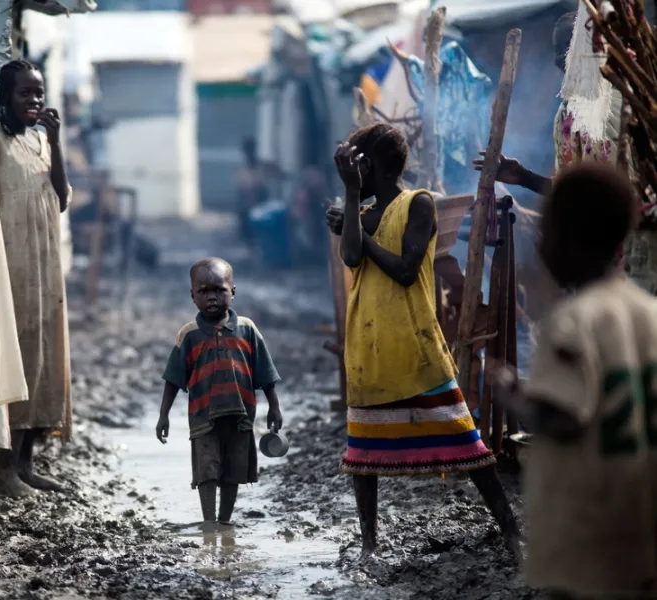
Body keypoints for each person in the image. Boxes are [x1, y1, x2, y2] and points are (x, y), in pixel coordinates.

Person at [325, 123, 520, 557]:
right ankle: (370, 547)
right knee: (364, 459)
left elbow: (406, 269)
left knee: (467, 442)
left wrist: (358, 221)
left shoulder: (419, 204)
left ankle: (511, 530)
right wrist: (354, 206)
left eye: (355, 165)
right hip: (371, 348)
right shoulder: (364, 211)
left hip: (415, 346)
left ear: (368, 165)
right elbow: (352, 256)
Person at [495, 163, 657, 600]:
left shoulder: (570, 323)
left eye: (545, 231)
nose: (541, 245)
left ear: (568, 239)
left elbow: (562, 419)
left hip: (586, 537)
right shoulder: (649, 314)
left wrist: (513, 395)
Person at [0, 60, 73, 497]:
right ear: (6, 97)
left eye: (39, 93)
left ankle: (27, 464)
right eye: (25, 93)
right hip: (11, 267)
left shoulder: (41, 141)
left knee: (44, 359)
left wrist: (56, 143)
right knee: (15, 360)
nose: (35, 101)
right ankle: (3, 468)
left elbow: (61, 200)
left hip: (45, 266)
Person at [155, 258, 283, 529]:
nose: (212, 297)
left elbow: (266, 374)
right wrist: (163, 415)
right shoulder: (188, 335)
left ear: (232, 292)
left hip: (241, 415)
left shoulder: (247, 329)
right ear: (193, 296)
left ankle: (225, 521)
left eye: (219, 290)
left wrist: (274, 407)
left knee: (234, 471)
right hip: (203, 417)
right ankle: (209, 521)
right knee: (207, 470)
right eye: (203, 292)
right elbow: (173, 378)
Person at [473, 10, 621, 194]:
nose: (559, 60)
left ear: (592, 48)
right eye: (558, 50)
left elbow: (600, 194)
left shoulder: (619, 101)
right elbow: (570, 194)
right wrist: (524, 177)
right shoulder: (567, 113)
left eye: (568, 47)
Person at [234, 137, 268, 246]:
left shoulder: (261, 166)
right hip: (247, 206)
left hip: (260, 203)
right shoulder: (242, 168)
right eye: (248, 149)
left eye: (251, 149)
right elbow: (242, 188)